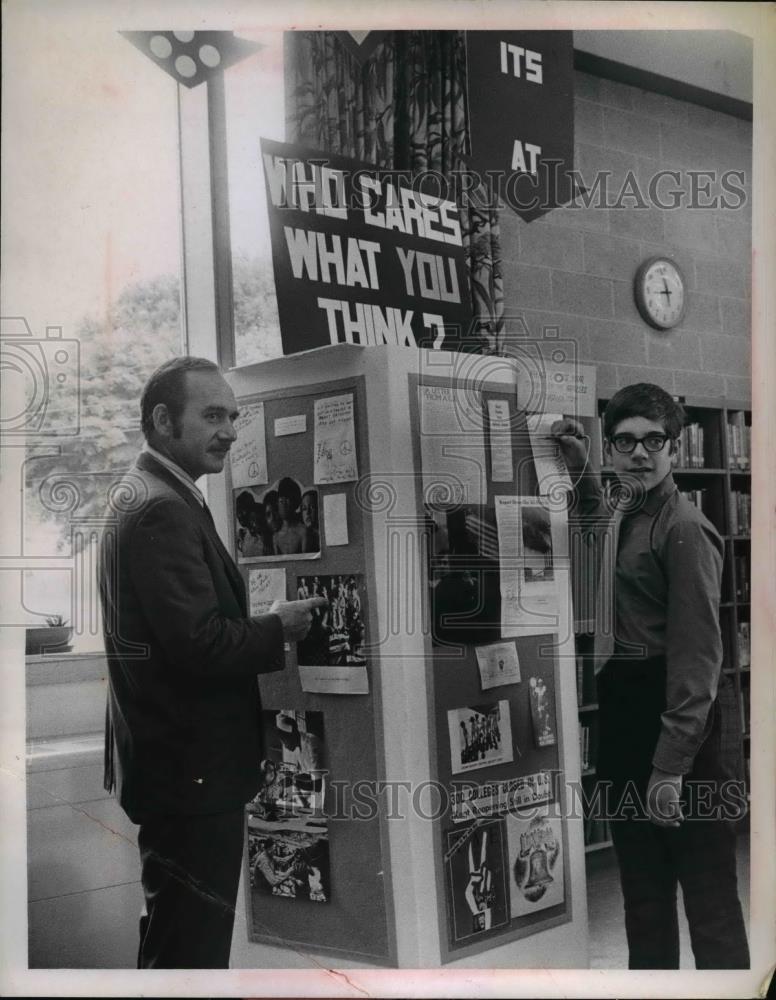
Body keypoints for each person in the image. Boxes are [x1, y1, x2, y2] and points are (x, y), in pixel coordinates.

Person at [98, 356, 326, 969]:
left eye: (233, 415)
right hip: (190, 775)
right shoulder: (163, 506)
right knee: (191, 952)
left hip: (175, 768)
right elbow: (199, 645)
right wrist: (279, 627)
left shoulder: (151, 491)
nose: (229, 430)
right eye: (212, 415)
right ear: (164, 419)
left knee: (177, 939)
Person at [552, 382, 749, 969]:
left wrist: (670, 769)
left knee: (709, 907)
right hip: (623, 719)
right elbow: (596, 533)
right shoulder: (623, 510)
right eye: (625, 442)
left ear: (675, 446)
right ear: (611, 448)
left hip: (676, 727)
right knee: (643, 901)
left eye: (653, 441)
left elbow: (698, 663)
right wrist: (581, 469)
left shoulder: (684, 528)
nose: (639, 454)